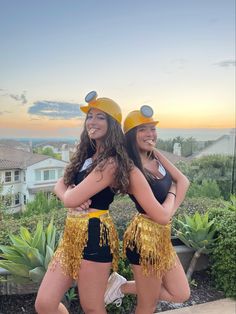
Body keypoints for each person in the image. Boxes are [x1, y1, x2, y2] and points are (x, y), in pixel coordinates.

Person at [35, 91, 132, 314]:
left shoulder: (111, 163)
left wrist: (70, 197)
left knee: (92, 307)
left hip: (96, 236)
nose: (92, 121)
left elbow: (69, 196)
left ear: (113, 125)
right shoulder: (86, 155)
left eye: (100, 117)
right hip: (72, 235)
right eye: (90, 116)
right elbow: (60, 186)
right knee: (45, 304)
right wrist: (70, 196)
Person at [104, 105, 190, 314]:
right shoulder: (132, 169)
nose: (150, 134)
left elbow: (184, 181)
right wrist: (171, 194)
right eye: (143, 129)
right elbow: (162, 212)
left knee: (181, 293)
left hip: (161, 236)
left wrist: (167, 212)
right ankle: (121, 287)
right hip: (143, 240)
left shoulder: (155, 155)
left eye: (152, 128)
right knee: (147, 305)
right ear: (132, 135)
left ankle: (121, 286)